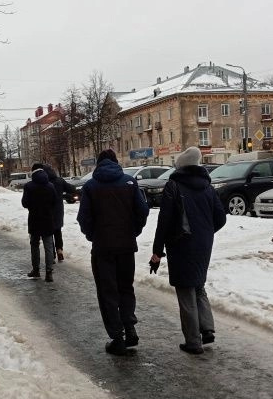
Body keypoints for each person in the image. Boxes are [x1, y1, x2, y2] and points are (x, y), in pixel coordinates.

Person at [150, 147, 227, 355]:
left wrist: (157, 251)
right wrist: (206, 232)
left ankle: (193, 341)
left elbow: (164, 221)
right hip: (203, 244)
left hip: (181, 244)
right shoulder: (208, 187)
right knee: (199, 285)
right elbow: (221, 218)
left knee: (185, 291)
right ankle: (207, 328)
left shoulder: (173, 186)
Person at [77, 149, 149, 356]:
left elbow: (84, 218)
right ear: (116, 162)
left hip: (102, 248)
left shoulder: (91, 186)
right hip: (127, 246)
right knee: (126, 288)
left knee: (107, 292)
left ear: (98, 164)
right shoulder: (129, 182)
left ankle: (117, 338)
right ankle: (130, 329)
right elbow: (142, 211)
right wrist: (133, 231)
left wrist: (93, 236)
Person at [21, 165, 58, 282]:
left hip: (34, 219)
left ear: (33, 172)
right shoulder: (50, 186)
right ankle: (49, 273)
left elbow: (25, 203)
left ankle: (36, 270)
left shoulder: (28, 186)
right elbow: (55, 201)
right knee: (48, 246)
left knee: (34, 245)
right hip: (48, 219)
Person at [42, 165, 77, 262]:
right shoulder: (60, 181)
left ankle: (51, 255)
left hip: (47, 211)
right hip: (58, 210)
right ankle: (59, 250)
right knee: (57, 231)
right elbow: (71, 189)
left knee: (49, 233)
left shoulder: (44, 183)